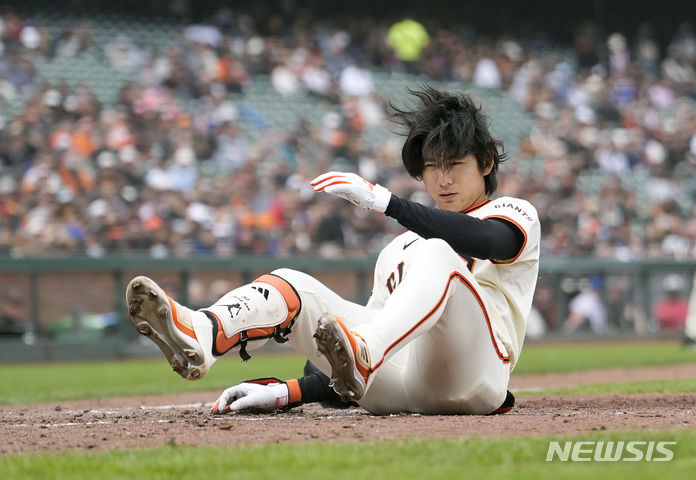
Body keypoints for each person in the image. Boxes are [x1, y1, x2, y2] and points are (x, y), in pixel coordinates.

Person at [126, 86, 541, 415]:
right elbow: (347, 349)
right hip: (396, 382)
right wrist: (286, 392)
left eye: (455, 164)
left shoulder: (512, 212)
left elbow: (487, 241)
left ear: (486, 162)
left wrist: (387, 203)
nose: (442, 178)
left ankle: (368, 352)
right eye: (432, 166)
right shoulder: (398, 249)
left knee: (437, 252)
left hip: (476, 377)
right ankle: (202, 333)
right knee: (291, 284)